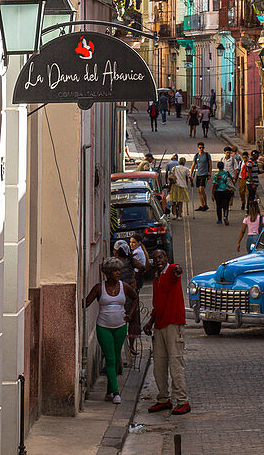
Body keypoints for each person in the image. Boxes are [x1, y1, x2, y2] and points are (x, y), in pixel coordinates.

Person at [85, 257, 138, 404]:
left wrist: (130, 314)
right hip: (104, 327)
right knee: (110, 358)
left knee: (115, 358)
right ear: (108, 273)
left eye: (119, 270)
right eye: (115, 270)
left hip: (120, 326)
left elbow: (135, 298)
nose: (118, 273)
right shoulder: (98, 288)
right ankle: (116, 392)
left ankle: (109, 391)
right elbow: (86, 303)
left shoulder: (124, 286)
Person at [144, 248, 190, 415]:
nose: (158, 260)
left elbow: (177, 270)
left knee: (175, 364)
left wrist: (177, 269)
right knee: (159, 365)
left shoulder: (171, 270)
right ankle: (163, 398)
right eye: (155, 258)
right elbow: (157, 305)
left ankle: (182, 401)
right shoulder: (157, 278)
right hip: (160, 325)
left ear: (166, 258)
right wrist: (150, 322)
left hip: (174, 323)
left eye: (160, 257)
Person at [190, 142, 211, 211]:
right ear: (198, 148)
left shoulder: (207, 155)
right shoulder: (196, 156)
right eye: (200, 148)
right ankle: (202, 205)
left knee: (202, 189)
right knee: (199, 191)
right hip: (198, 174)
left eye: (202, 147)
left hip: (204, 174)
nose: (201, 149)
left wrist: (209, 174)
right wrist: (190, 175)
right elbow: (193, 165)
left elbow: (210, 165)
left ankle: (205, 205)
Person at [212, 158, 233, 225]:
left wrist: (212, 193)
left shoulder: (216, 175)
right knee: (225, 205)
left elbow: (215, 184)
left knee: (218, 206)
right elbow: (231, 181)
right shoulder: (227, 173)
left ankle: (219, 220)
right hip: (226, 191)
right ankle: (225, 216)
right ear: (223, 166)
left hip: (218, 192)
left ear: (218, 167)